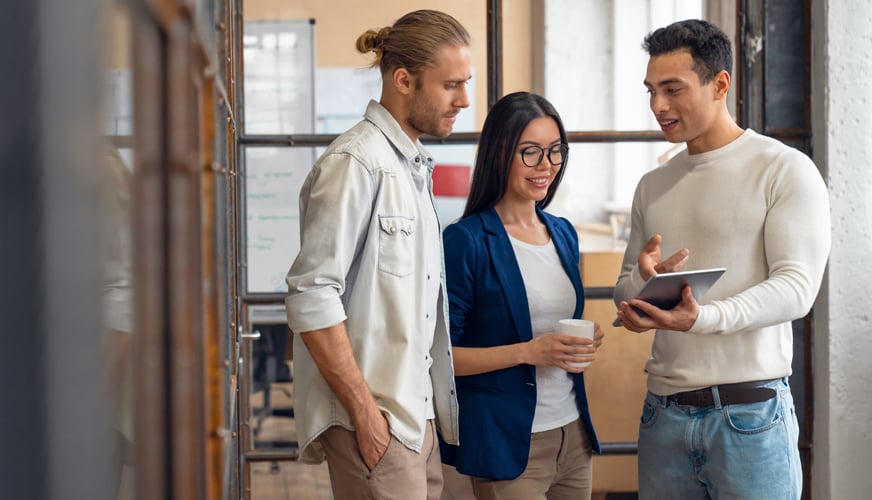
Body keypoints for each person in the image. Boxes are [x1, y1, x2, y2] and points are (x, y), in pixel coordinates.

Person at [613, 19, 831, 499]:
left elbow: (797, 288)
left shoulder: (783, 168)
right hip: (663, 415)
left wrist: (702, 319)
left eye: (673, 89)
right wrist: (644, 286)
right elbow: (624, 288)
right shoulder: (653, 184)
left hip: (751, 414)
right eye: (651, 91)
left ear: (720, 84)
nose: (658, 105)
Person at [283, 9, 471, 499]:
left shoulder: (410, 165)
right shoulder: (356, 162)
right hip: (375, 422)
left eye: (465, 84)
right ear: (403, 80)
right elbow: (311, 297)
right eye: (451, 85)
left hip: (416, 420)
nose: (464, 100)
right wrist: (366, 416)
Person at [440, 91, 603, 500]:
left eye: (555, 151)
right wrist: (528, 352)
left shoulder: (562, 232)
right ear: (499, 153)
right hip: (509, 444)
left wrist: (582, 340)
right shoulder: (466, 240)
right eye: (530, 152)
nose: (546, 165)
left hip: (573, 435)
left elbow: (553, 323)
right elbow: (439, 358)